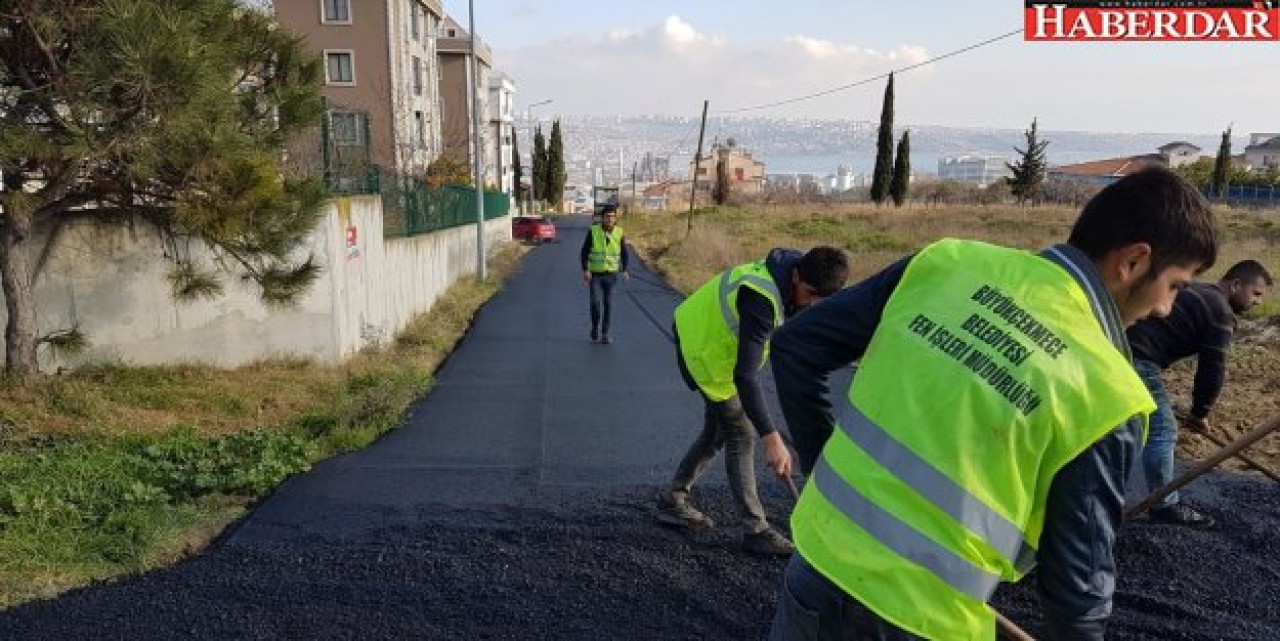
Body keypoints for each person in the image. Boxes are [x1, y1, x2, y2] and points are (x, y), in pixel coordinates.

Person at [767, 167, 1218, 640]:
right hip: (925, 621)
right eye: (1175, 285)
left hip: (818, 566)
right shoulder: (1106, 393)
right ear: (1134, 262)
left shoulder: (946, 263)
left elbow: (797, 346)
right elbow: (1077, 595)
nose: (1166, 308)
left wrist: (824, 468)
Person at [655, 246, 850, 556]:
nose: (813, 303)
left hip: (710, 334)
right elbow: (745, 377)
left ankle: (673, 498)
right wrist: (772, 439)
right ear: (797, 276)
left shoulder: (799, 273)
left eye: (821, 299)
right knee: (742, 432)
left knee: (717, 431)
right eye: (810, 293)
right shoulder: (760, 298)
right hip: (703, 346)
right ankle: (756, 530)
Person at [1127, 259, 1272, 528]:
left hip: (1121, 347)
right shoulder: (1220, 313)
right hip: (1137, 359)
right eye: (1256, 293)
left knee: (1130, 423)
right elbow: (1212, 370)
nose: (1257, 302)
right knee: (1163, 429)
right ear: (1236, 284)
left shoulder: (1197, 291)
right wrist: (1200, 413)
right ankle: (1164, 505)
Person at [580, 205, 629, 344]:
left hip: (611, 275)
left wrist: (625, 270)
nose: (610, 219)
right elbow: (584, 252)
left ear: (615, 218)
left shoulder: (619, 232)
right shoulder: (594, 231)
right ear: (602, 218)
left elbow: (624, 252)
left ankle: (605, 333)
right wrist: (585, 269)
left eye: (612, 216)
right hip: (595, 275)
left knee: (608, 304)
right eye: (607, 216)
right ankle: (595, 327)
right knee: (595, 303)